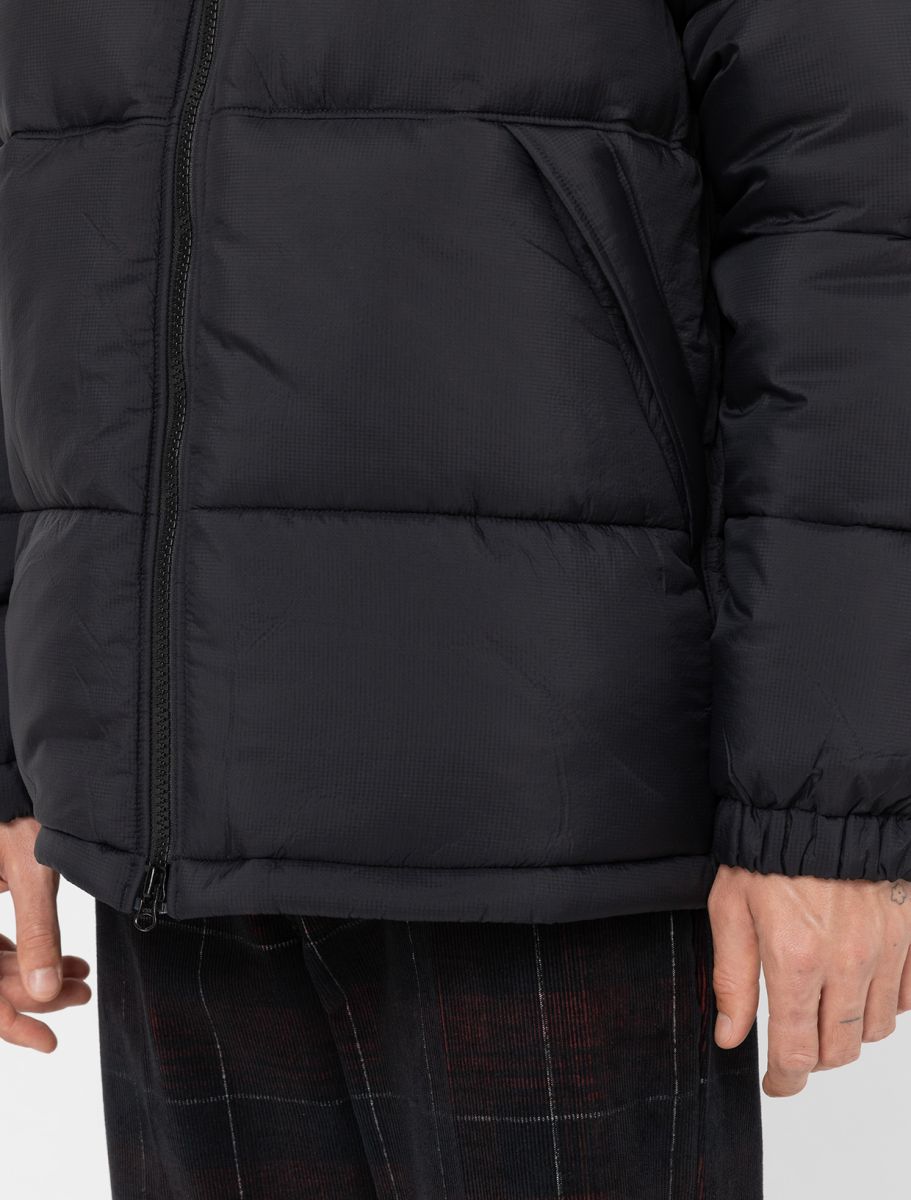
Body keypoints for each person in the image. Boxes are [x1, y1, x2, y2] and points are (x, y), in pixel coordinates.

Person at [1, 0, 910, 1195]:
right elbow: (44, 210)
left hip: (549, 800)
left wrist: (826, 805)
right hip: (170, 820)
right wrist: (17, 746)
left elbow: (852, 237)